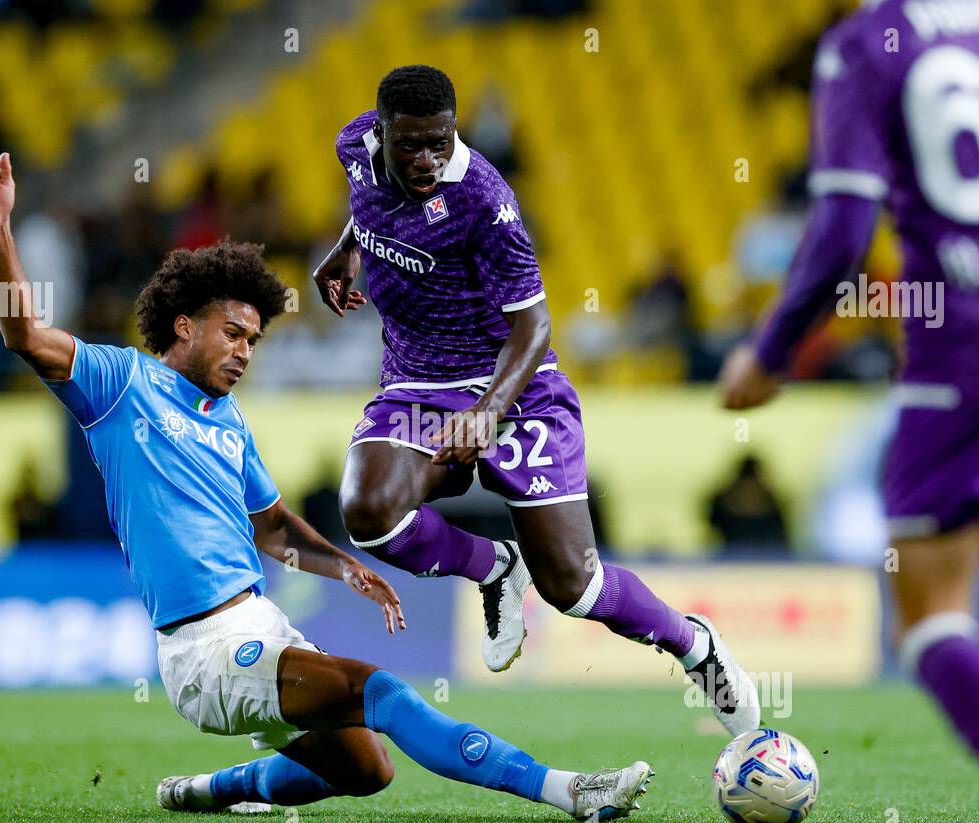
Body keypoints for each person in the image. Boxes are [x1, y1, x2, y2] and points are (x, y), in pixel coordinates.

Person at [0, 136, 651, 821]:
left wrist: (347, 566)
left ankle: (204, 790)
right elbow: (25, 335)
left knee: (366, 769)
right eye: (232, 333)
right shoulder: (120, 384)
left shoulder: (229, 424)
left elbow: (273, 527)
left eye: (253, 340)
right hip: (206, 649)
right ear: (182, 325)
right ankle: (566, 789)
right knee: (383, 693)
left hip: (263, 620)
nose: (244, 352)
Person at [717, 0, 979, 823]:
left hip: (967, 345)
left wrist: (770, 354)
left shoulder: (865, 44)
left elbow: (846, 229)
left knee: (929, 618)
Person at [313, 65, 760, 736]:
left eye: (441, 140)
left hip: (514, 392)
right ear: (381, 134)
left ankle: (694, 645)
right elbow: (368, 207)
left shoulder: (485, 202)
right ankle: (496, 567)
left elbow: (535, 326)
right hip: (416, 386)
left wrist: (489, 410)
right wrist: (346, 252)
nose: (428, 158)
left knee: (574, 589)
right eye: (410, 144)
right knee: (369, 512)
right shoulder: (355, 148)